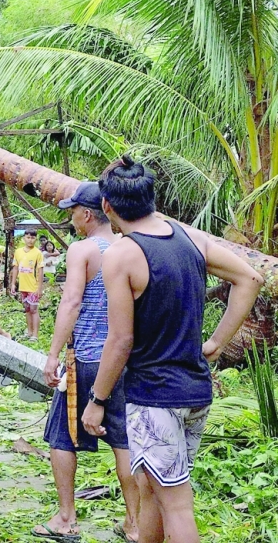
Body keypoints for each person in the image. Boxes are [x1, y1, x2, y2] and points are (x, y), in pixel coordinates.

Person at [81, 157, 263, 543]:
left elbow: (120, 339)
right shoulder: (189, 237)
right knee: (153, 486)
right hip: (195, 391)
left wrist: (97, 398)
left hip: (154, 396)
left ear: (107, 208)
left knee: (176, 503)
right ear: (152, 196)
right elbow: (250, 277)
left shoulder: (121, 254)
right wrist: (215, 342)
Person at [33, 182, 139, 542]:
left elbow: (72, 301)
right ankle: (135, 522)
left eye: (73, 212)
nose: (71, 219)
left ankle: (65, 518)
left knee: (61, 437)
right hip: (124, 359)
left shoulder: (82, 250)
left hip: (89, 359)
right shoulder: (129, 247)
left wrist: (53, 353)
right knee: (124, 441)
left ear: (88, 213)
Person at [10, 229, 44, 341]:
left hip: (33, 286)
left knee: (34, 309)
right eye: (28, 237)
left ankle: (35, 334)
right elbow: (15, 268)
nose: (30, 240)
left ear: (36, 239)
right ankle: (29, 332)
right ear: (24, 238)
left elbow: (40, 271)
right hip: (23, 286)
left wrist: (39, 288)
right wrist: (13, 284)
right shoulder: (18, 252)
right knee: (27, 309)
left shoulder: (38, 253)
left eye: (33, 238)